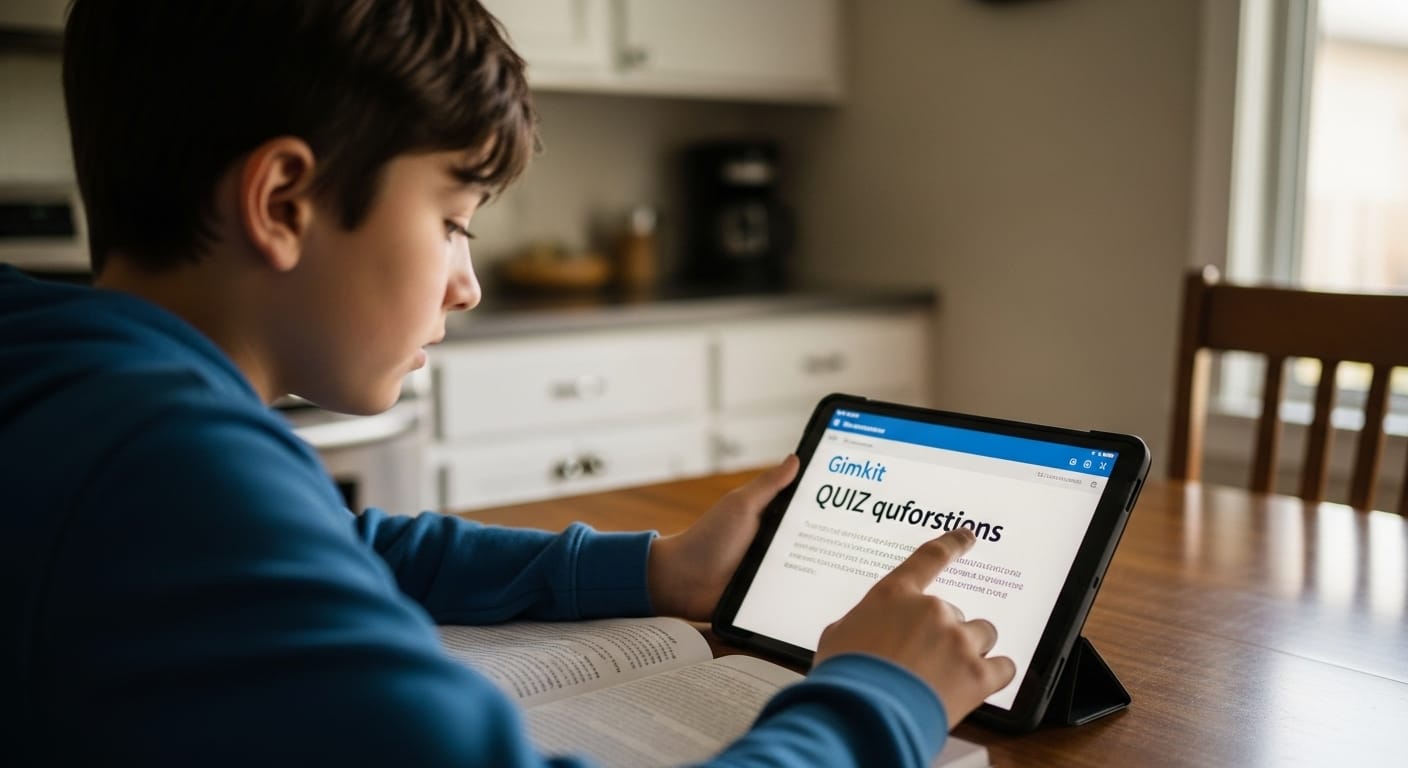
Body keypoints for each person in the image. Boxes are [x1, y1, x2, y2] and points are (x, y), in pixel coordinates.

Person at [0, 1, 1016, 765]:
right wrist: (881, 694)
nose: (469, 283)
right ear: (284, 200)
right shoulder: (168, 472)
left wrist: (653, 572)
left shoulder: (61, 367)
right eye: (452, 219)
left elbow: (343, 545)